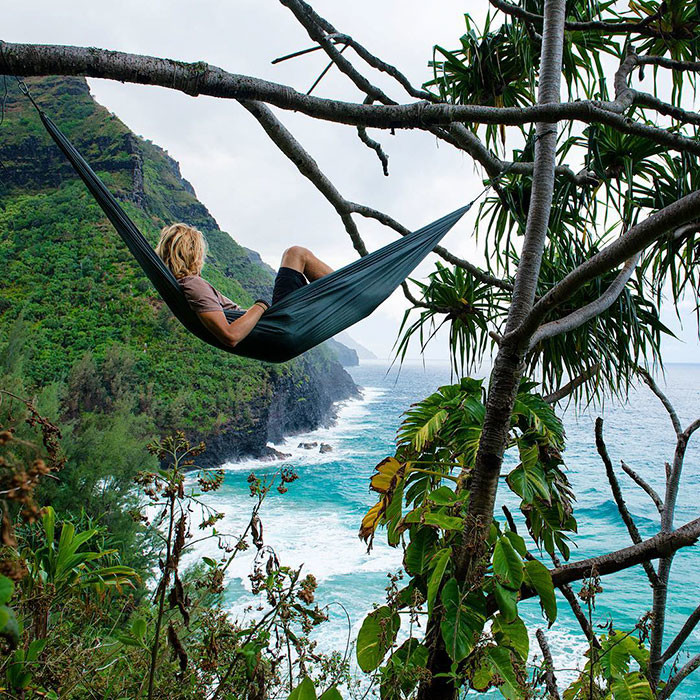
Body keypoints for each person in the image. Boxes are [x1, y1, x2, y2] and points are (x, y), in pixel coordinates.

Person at [155, 223, 333, 348]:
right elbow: (230, 335)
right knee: (296, 253)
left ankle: (353, 285)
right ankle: (354, 286)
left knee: (294, 254)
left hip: (273, 331)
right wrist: (261, 305)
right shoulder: (193, 285)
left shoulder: (181, 284)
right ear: (193, 253)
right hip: (278, 330)